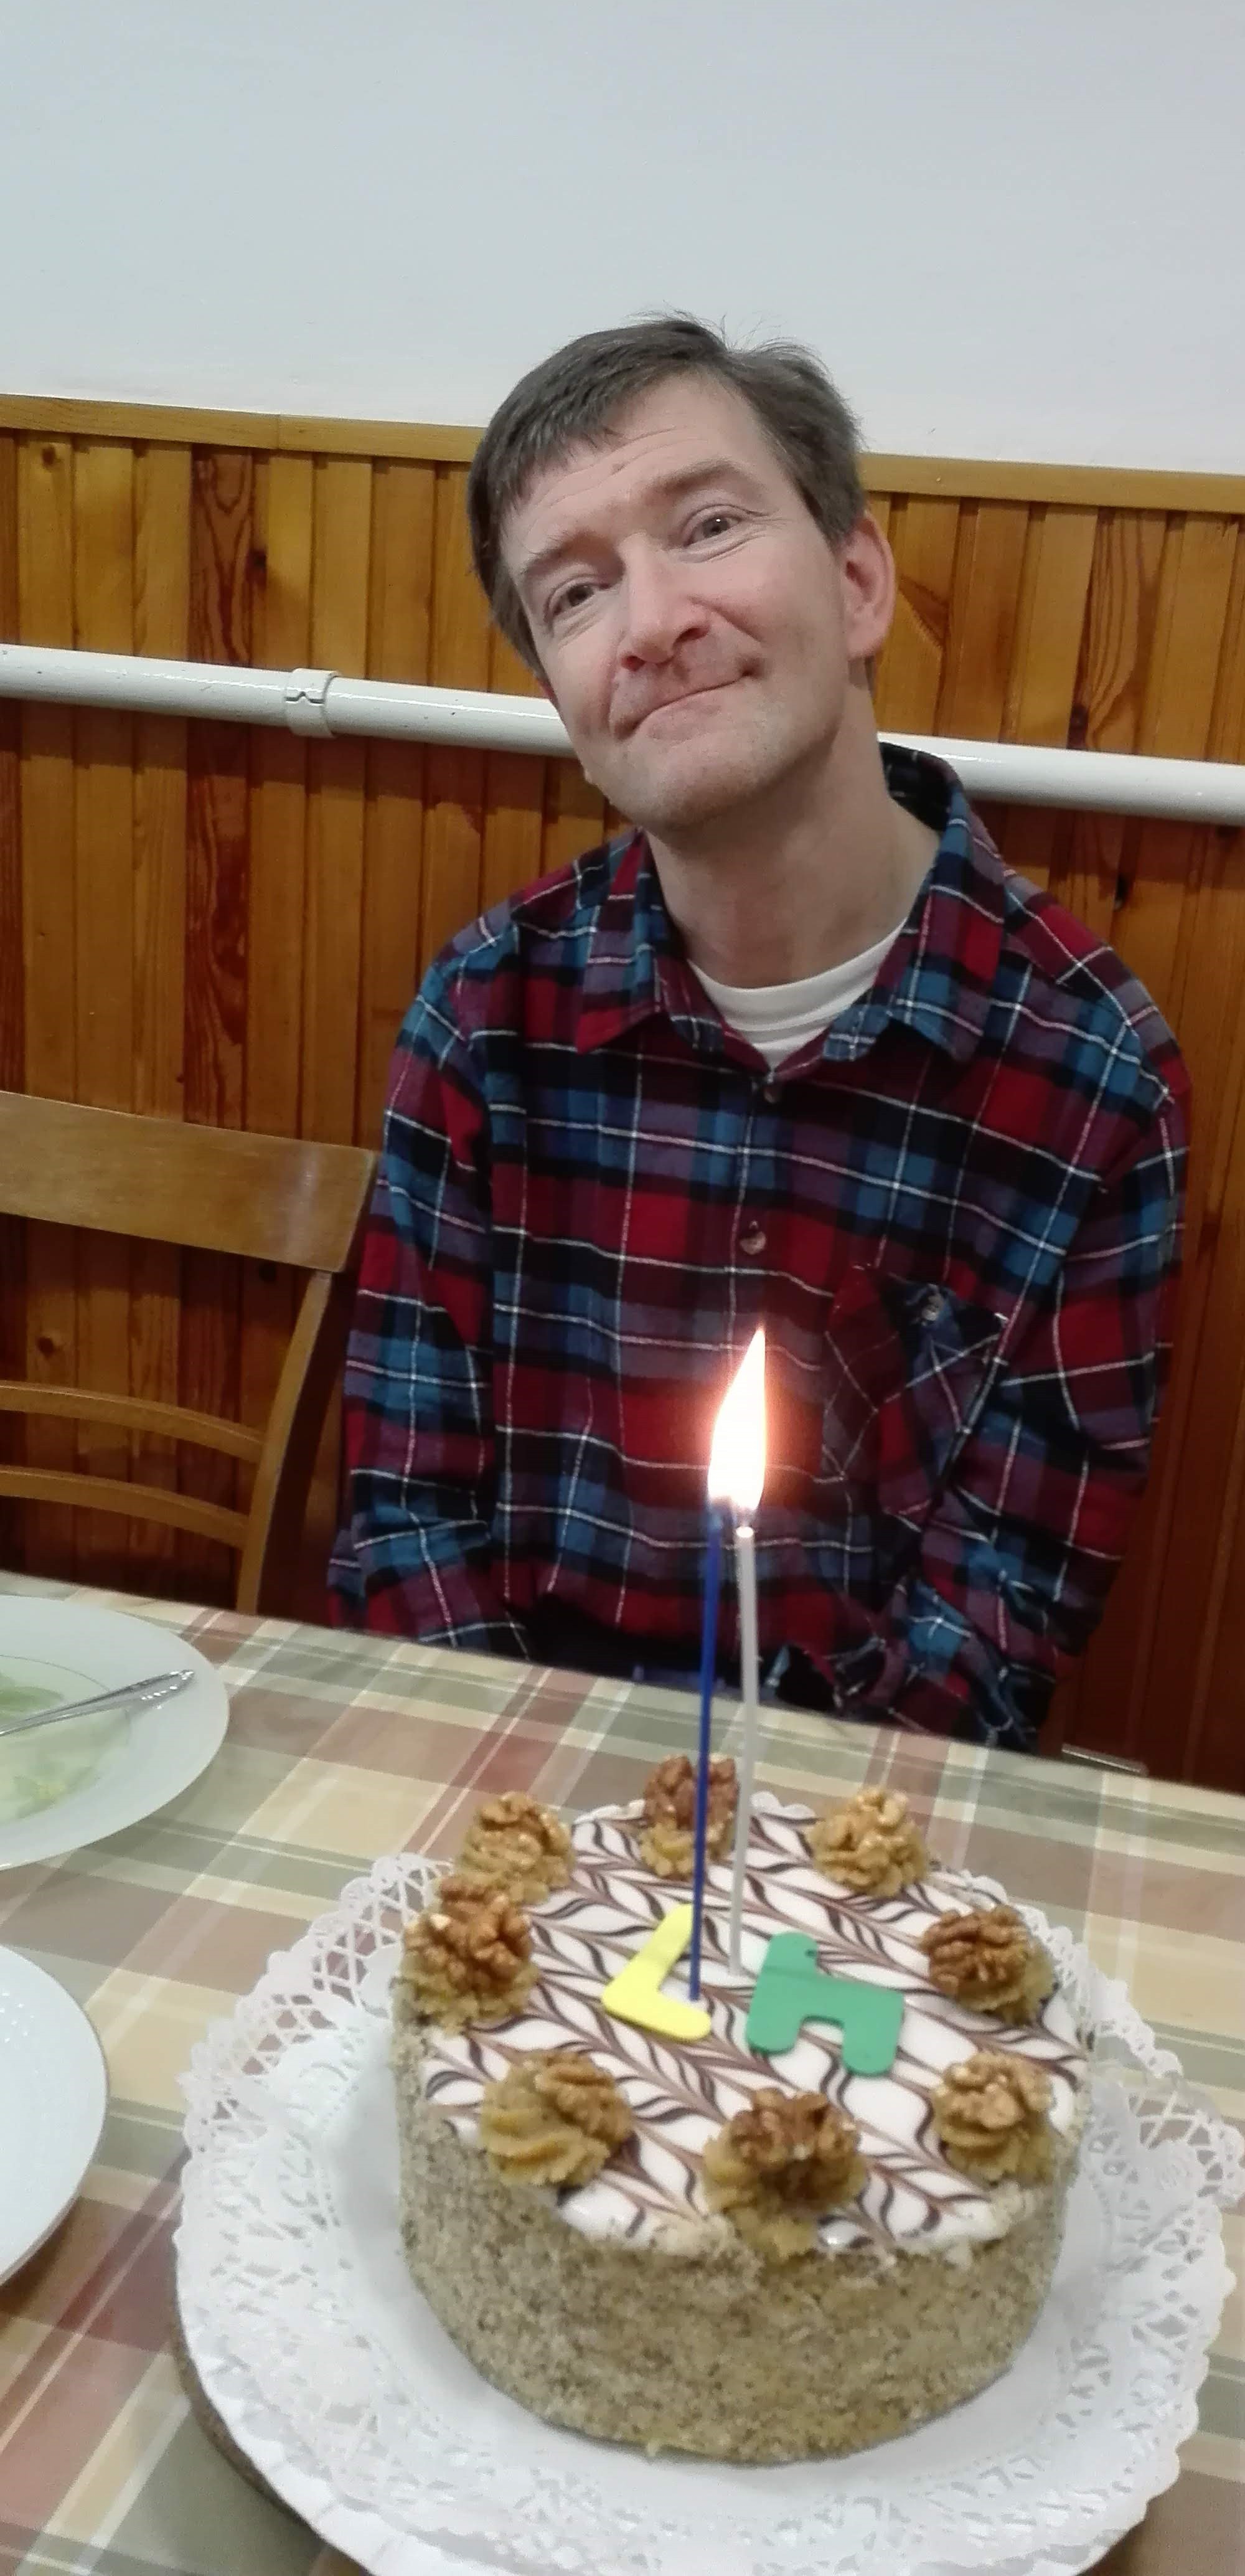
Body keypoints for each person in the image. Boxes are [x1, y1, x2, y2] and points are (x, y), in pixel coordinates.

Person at [328, 313, 1189, 1747]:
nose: (652, 622)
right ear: (561, 699)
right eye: (576, 593)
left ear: (856, 583)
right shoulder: (485, 1009)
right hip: (505, 1762)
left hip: (856, 1799)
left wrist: (769, 1844)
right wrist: (526, 1815)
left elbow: (999, 1613)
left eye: (709, 526)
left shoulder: (1086, 1066)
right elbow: (404, 1519)